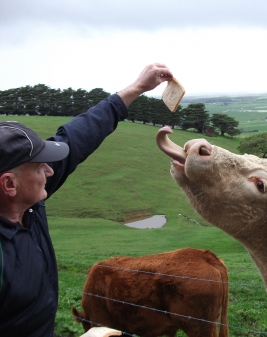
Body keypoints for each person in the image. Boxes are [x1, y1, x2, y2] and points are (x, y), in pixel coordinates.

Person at [0, 63, 173, 336]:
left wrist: (136, 88)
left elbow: (78, 136)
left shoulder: (27, 204)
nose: (49, 170)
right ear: (10, 184)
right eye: (40, 166)